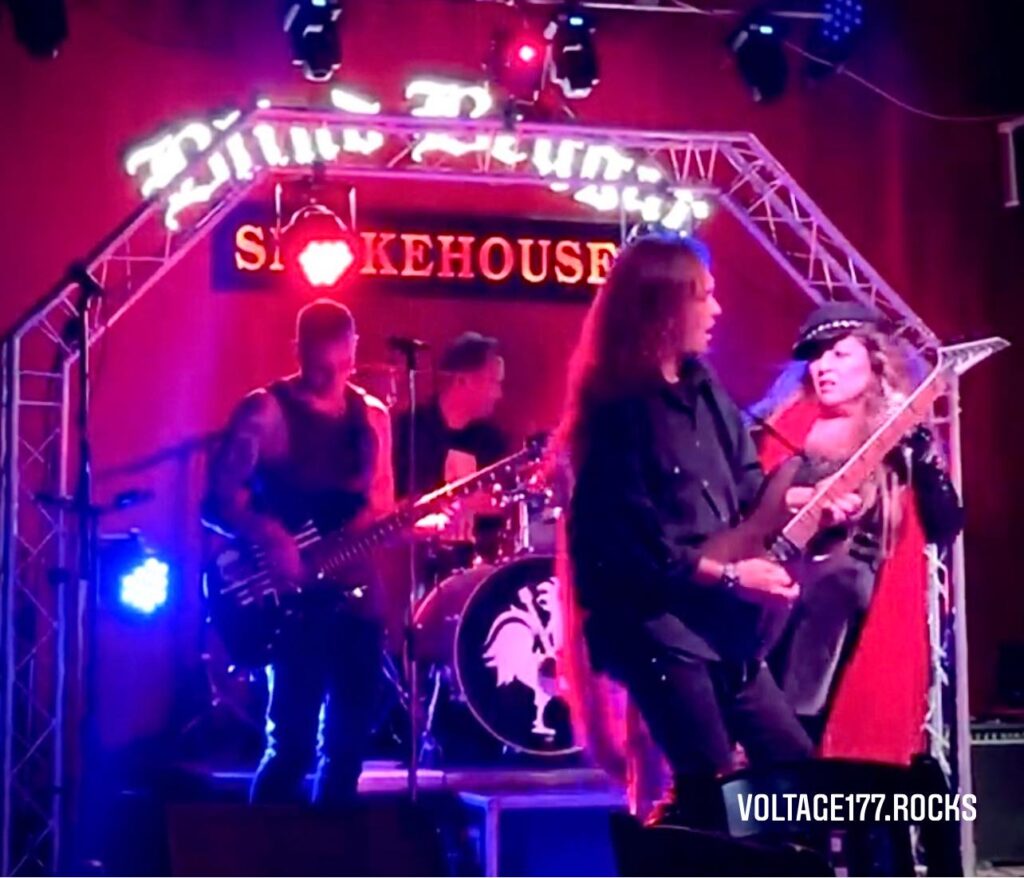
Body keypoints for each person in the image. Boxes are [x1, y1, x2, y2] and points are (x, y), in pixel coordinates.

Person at [557, 235, 862, 828]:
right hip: (660, 631)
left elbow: (749, 491)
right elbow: (629, 553)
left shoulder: (705, 388)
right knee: (715, 794)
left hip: (723, 628)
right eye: (704, 296)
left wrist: (809, 506)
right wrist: (730, 578)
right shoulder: (616, 412)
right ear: (663, 306)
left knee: (799, 776)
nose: (717, 310)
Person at [203, 299, 394, 805]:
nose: (331, 379)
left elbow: (380, 506)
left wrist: (415, 524)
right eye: (319, 367)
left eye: (341, 365)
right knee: (291, 747)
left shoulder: (373, 418)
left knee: (348, 749)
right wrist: (270, 535)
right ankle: (266, 843)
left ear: (354, 351)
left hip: (355, 594)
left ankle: (329, 842)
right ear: (298, 352)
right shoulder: (264, 413)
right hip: (289, 600)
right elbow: (215, 503)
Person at [758, 302, 962, 760]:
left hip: (865, 604)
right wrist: (802, 499)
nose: (822, 367)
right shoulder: (786, 429)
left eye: (838, 353)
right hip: (782, 595)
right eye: (815, 357)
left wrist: (924, 462)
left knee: (841, 585)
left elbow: (945, 526)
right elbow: (749, 509)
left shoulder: (901, 433)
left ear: (874, 361)